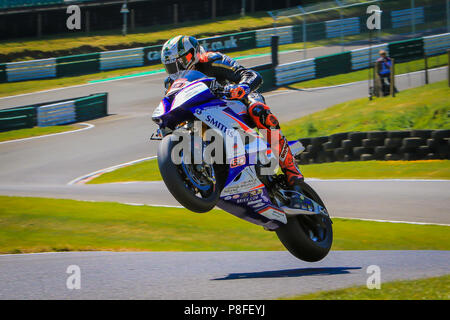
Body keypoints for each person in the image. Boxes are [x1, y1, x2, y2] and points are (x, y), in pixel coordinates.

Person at [160, 35, 304, 209]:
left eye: (182, 61)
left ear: (194, 53)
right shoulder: (172, 82)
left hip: (234, 102)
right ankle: (207, 169)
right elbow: (171, 104)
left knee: (259, 110)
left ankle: (291, 170)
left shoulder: (213, 60)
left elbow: (250, 74)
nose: (177, 68)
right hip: (203, 115)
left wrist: (241, 87)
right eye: (171, 66)